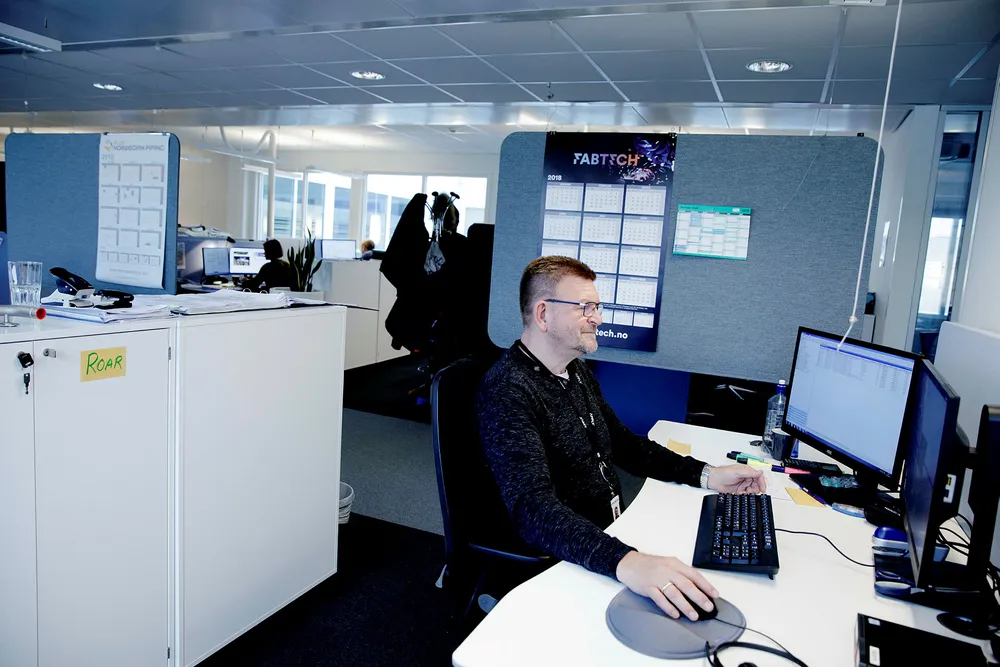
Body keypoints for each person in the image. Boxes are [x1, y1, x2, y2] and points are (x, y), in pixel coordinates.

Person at [476, 256, 766, 622]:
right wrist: (627, 561)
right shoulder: (508, 390)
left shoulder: (574, 371)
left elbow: (624, 444)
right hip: (567, 556)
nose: (598, 318)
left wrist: (706, 474)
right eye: (585, 307)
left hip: (609, 534)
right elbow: (532, 509)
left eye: (597, 307)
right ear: (544, 314)